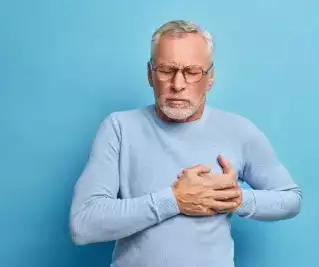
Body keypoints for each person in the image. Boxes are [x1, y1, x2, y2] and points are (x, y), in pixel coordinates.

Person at [69, 20, 302, 267]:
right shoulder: (119, 128)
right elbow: (84, 224)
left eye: (192, 72)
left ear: (210, 78)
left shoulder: (240, 130)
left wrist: (234, 199)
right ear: (150, 74)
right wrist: (174, 200)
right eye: (166, 70)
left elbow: (291, 199)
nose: (178, 85)